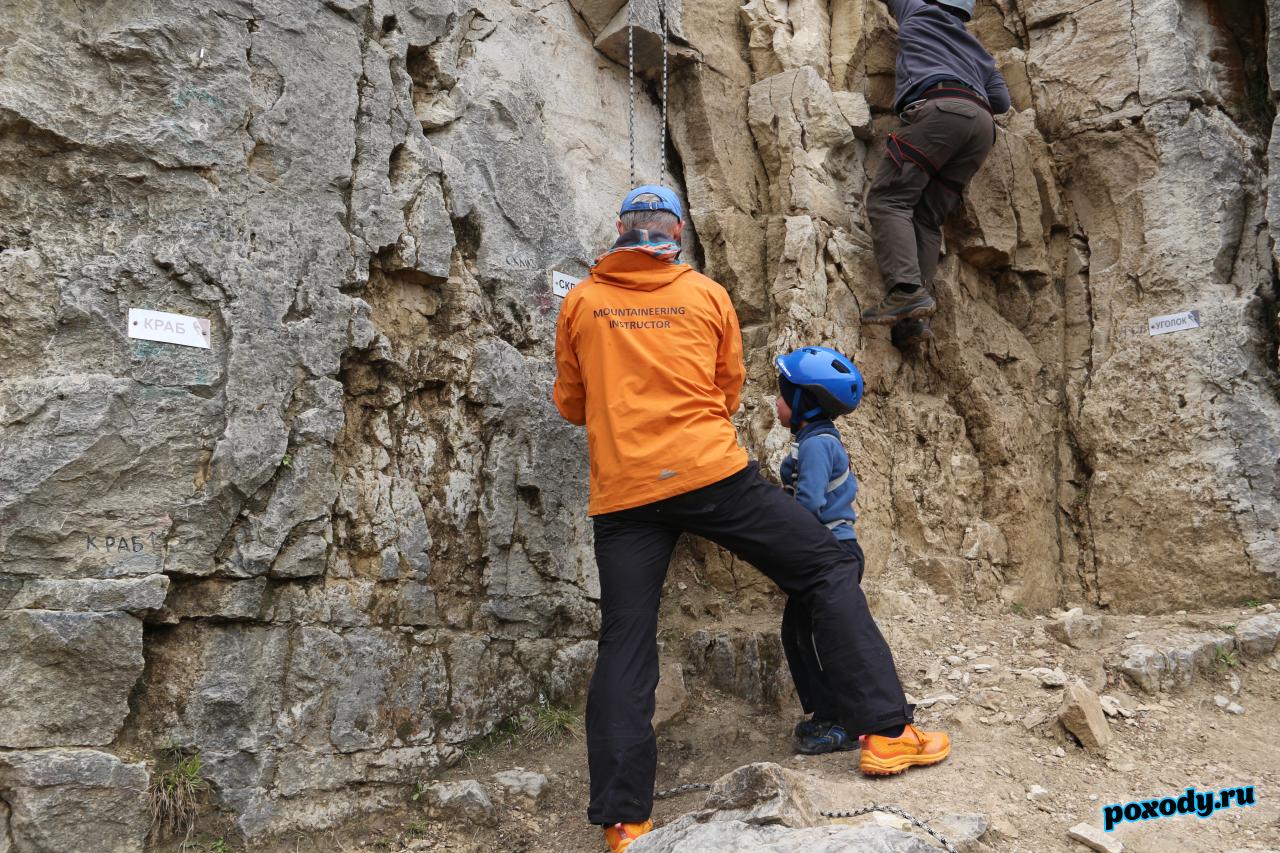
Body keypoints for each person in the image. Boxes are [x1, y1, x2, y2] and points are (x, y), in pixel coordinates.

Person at [554, 185, 951, 853]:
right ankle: (885, 732)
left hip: (624, 494)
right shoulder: (705, 294)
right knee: (825, 565)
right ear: (674, 233)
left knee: (626, 639)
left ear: (621, 230)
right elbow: (728, 388)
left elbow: (571, 403)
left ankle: (625, 822)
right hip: (712, 475)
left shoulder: (583, 302)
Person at [860, 0, 1011, 345]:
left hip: (940, 111)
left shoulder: (919, 10)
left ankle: (907, 291)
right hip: (982, 127)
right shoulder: (981, 53)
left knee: (888, 199)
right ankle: (913, 321)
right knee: (926, 218)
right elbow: (1002, 101)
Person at [774, 346, 866, 755]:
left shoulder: (816, 444)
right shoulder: (814, 438)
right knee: (796, 634)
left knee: (817, 639)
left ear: (803, 402)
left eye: (782, 394)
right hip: (831, 552)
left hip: (832, 554)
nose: (776, 402)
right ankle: (826, 713)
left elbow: (808, 505)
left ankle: (842, 721)